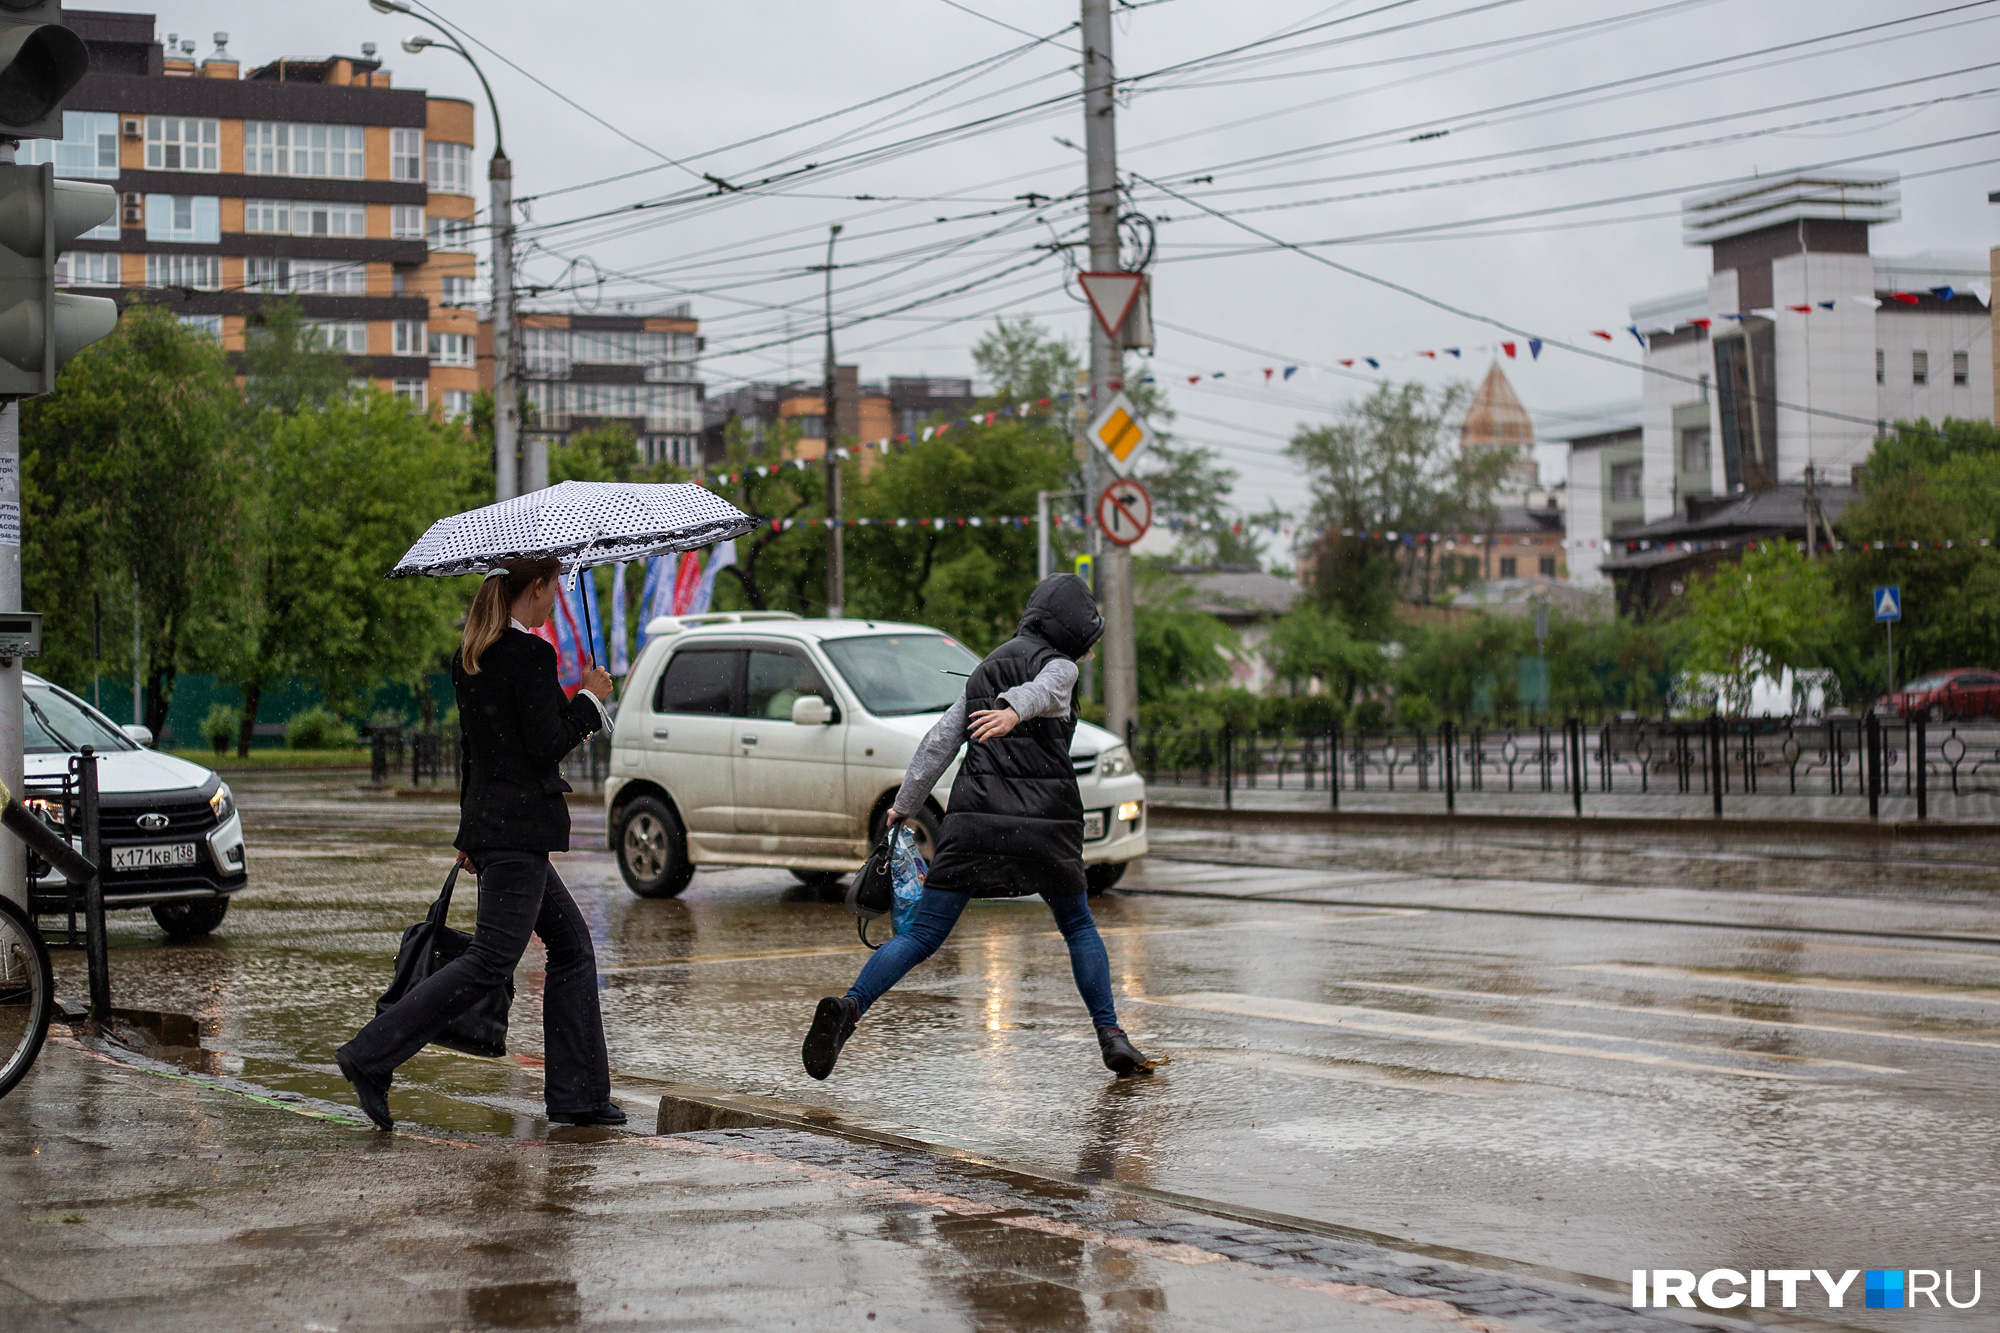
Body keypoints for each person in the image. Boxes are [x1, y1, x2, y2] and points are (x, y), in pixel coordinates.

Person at [801, 573, 1151, 1081]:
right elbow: (1043, 689)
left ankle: (851, 1008)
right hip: (1043, 826)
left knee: (922, 934)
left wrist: (906, 803)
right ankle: (1111, 1034)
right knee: (1077, 925)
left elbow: (939, 742)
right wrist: (1012, 711)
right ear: (1072, 629)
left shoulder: (984, 670)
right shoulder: (1060, 668)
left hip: (974, 825)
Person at [337, 556, 621, 1132]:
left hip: (499, 830)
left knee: (571, 947)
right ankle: (368, 1056)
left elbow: (478, 754)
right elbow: (545, 745)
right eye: (553, 588)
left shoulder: (474, 657)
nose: (555, 600)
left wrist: (471, 834)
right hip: (517, 833)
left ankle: (579, 1097)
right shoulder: (531, 656)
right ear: (535, 587)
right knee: (491, 960)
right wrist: (590, 701)